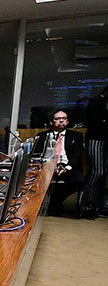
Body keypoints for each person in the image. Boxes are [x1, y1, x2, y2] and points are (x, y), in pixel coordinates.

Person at [34, 110, 85, 216]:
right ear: (52, 121)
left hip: (68, 166)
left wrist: (67, 167)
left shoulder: (76, 136)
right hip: (47, 166)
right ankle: (47, 206)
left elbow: (77, 156)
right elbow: (38, 154)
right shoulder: (43, 136)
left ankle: (54, 201)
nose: (61, 121)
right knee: (36, 180)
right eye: (57, 119)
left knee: (78, 180)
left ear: (67, 121)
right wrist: (50, 165)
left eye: (64, 118)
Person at [80, 84, 108, 218]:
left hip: (103, 140)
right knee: (98, 172)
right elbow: (96, 123)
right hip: (96, 139)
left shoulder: (102, 102)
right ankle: (86, 205)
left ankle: (97, 206)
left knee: (102, 174)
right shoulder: (97, 102)